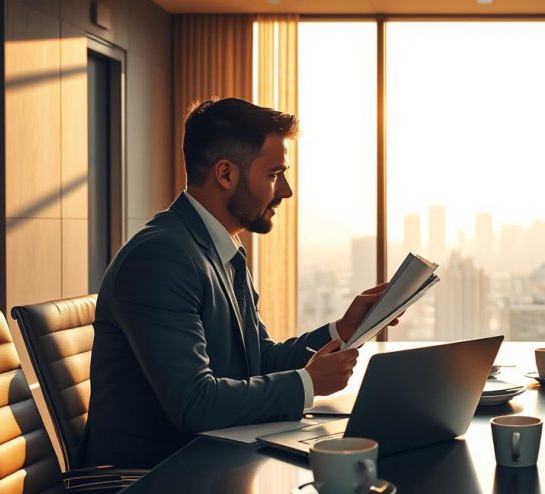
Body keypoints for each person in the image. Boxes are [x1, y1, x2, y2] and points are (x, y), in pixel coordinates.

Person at [83, 97, 393, 469]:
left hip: (211, 461)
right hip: (148, 486)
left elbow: (257, 359)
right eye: (274, 174)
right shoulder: (159, 258)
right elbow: (195, 404)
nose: (286, 191)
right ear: (226, 174)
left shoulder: (221, 246)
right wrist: (307, 384)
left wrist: (343, 330)